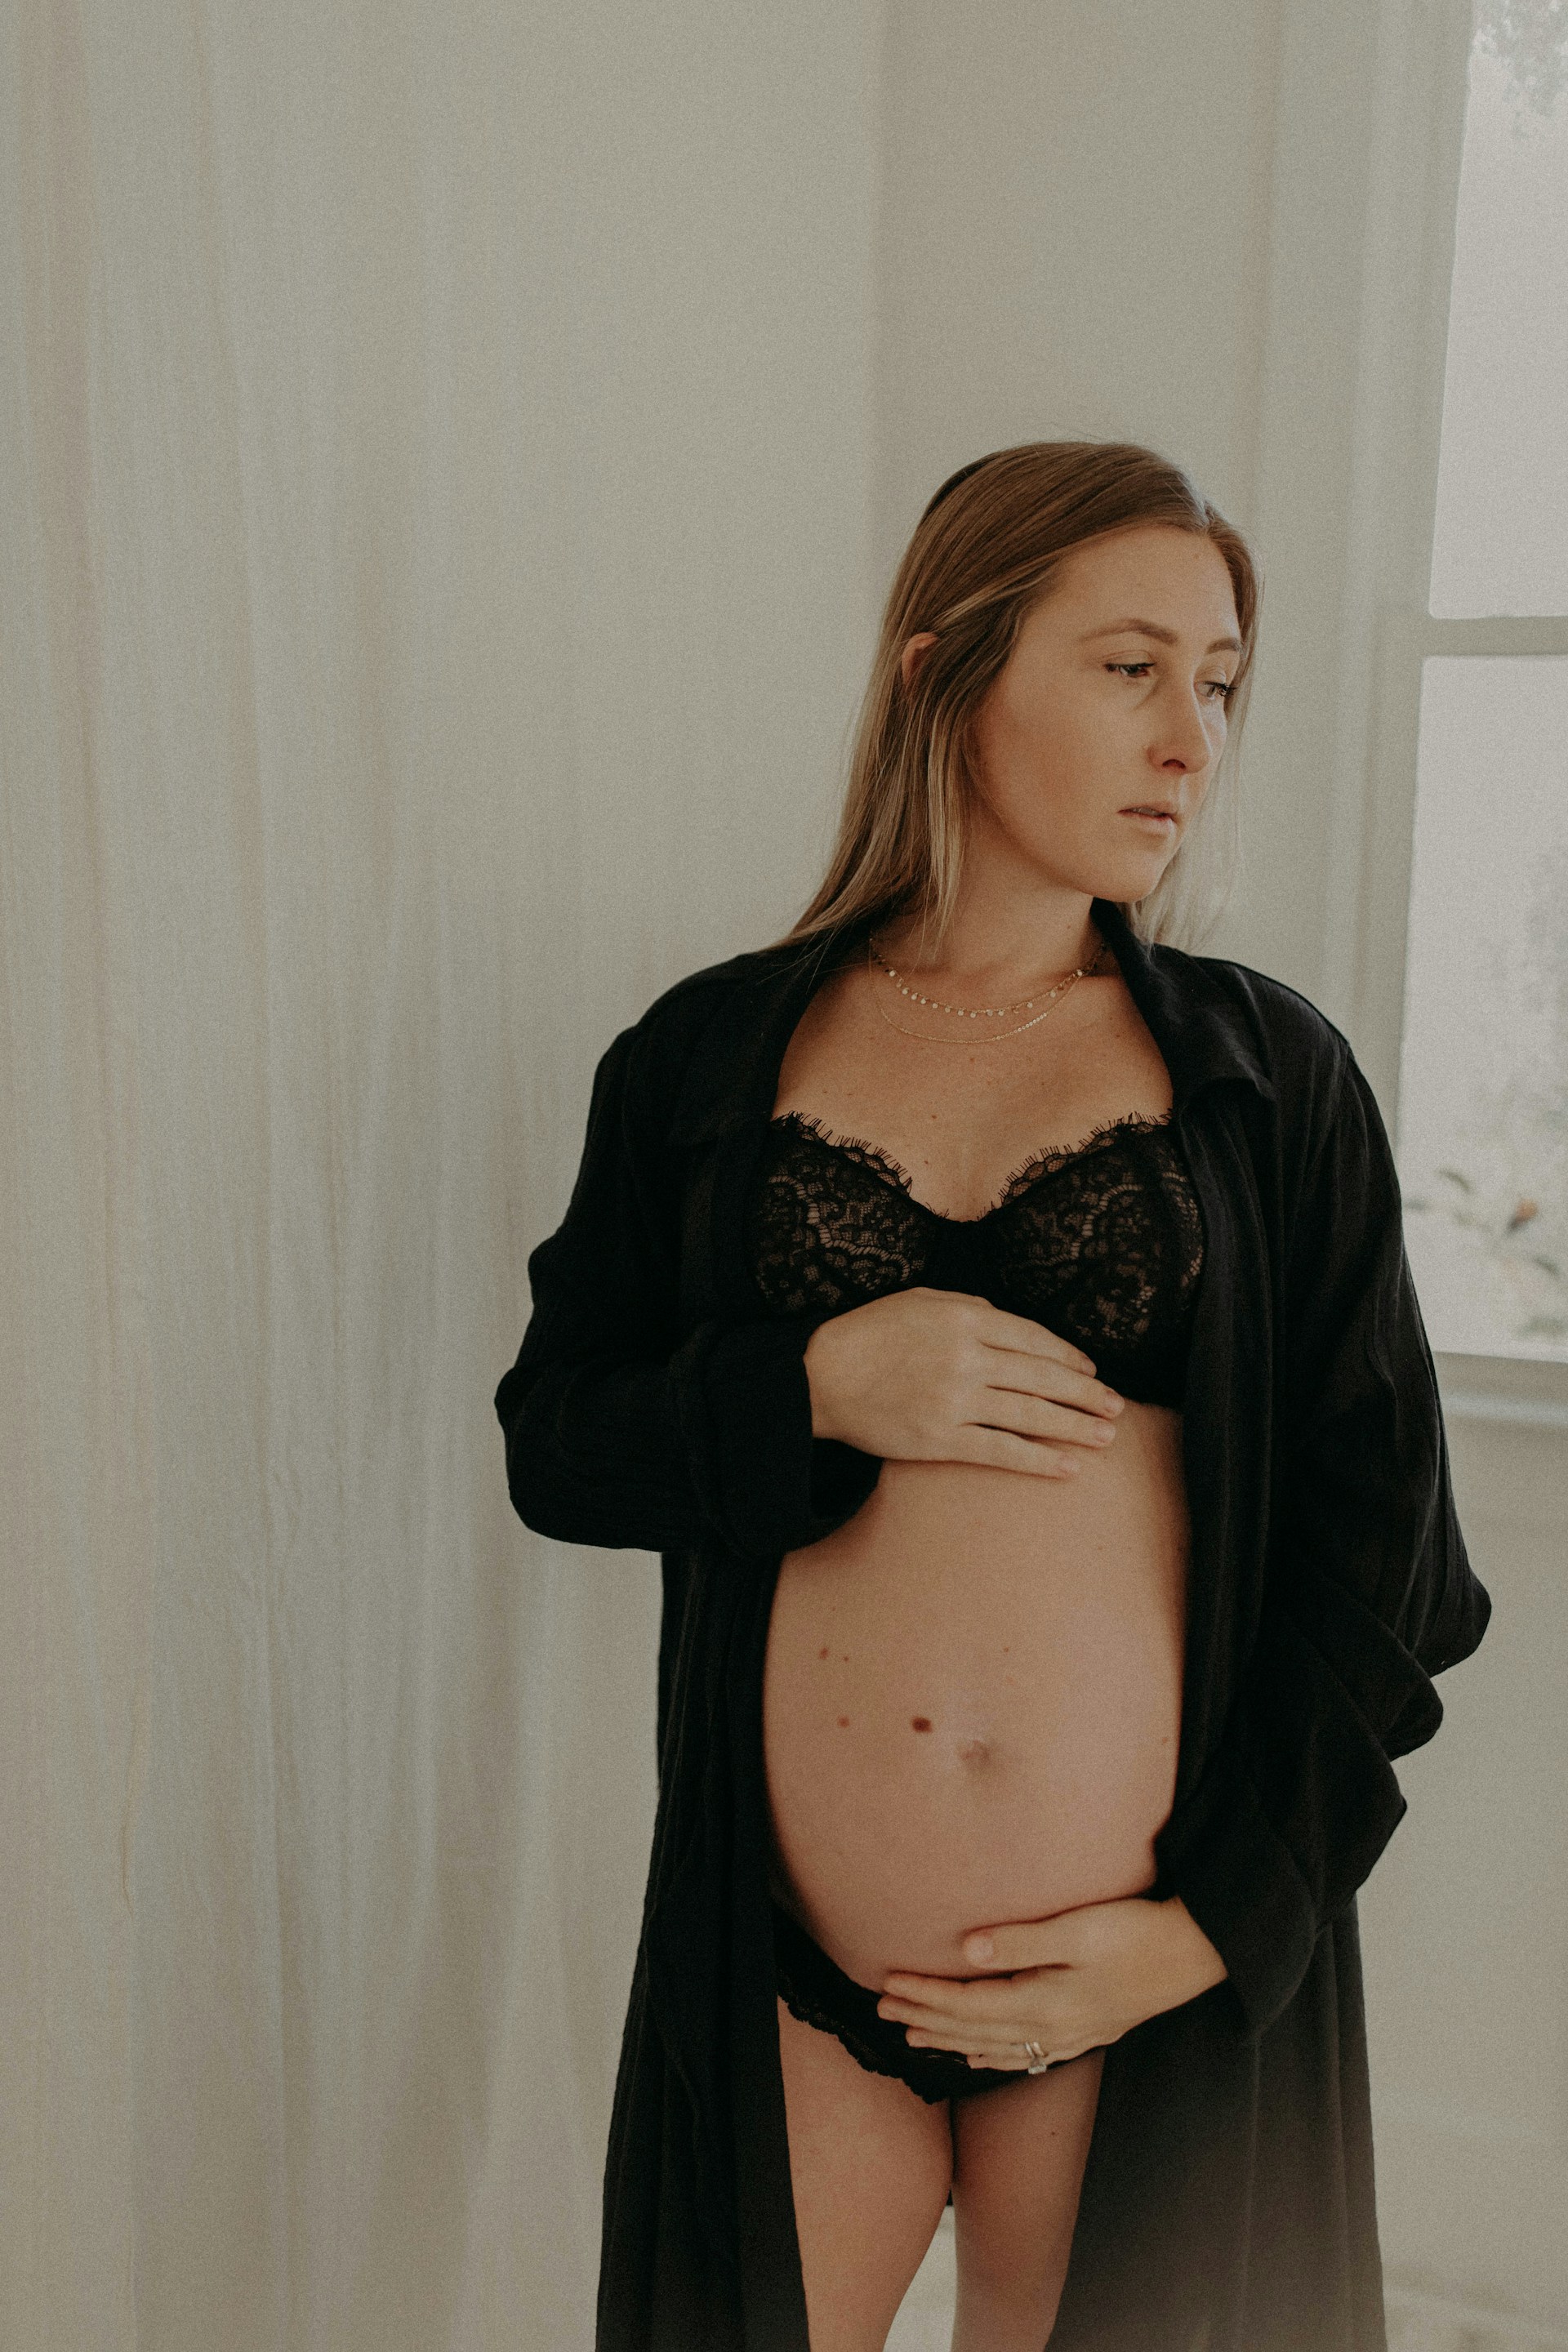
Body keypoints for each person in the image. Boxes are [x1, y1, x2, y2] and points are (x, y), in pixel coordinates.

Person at [494, 441, 1492, 2352]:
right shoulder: (706, 1057)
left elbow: (1394, 1571)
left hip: (1138, 1986)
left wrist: (1208, 1930)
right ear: (942, 674)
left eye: (1217, 683)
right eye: (1130, 668)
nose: (1190, 740)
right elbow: (561, 1438)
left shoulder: (1271, 1085)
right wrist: (809, 1382)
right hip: (786, 1970)